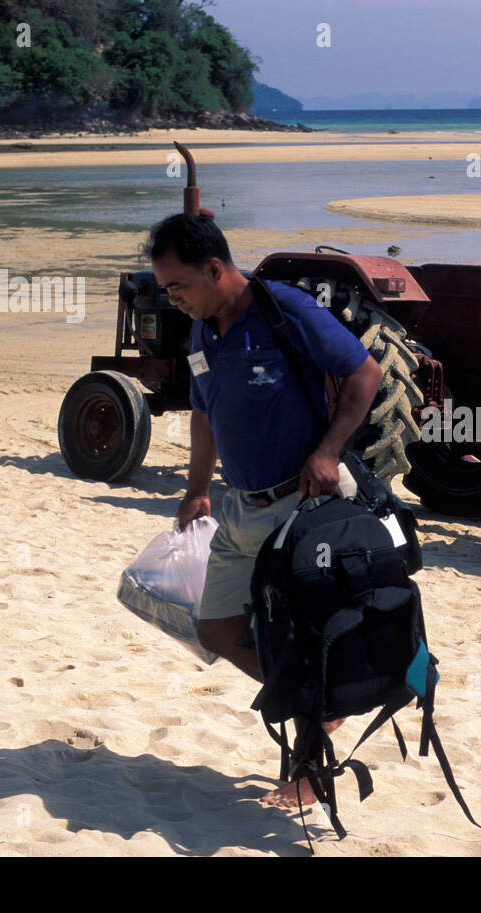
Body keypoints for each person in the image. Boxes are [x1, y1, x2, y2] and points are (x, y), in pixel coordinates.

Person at [145, 212, 383, 806]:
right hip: (239, 509)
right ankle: (318, 700)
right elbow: (205, 411)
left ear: (215, 268)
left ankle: (307, 769)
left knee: (295, 638)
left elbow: (366, 371)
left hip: (299, 508)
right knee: (217, 628)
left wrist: (330, 451)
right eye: (166, 290)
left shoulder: (283, 311)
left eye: (178, 286)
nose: (173, 300)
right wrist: (198, 486)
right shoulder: (201, 331)